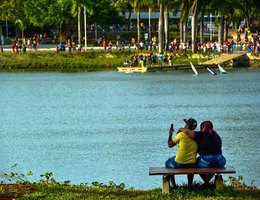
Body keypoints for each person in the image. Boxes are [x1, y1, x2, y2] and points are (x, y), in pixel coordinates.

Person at [179, 120, 226, 184]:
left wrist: (181, 128)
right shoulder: (216, 135)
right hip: (220, 161)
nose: (200, 129)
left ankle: (206, 181)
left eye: (201, 128)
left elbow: (187, 132)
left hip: (207, 161)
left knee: (195, 163)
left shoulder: (201, 134)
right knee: (214, 165)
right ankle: (207, 180)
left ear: (203, 127)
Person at [165, 118, 198, 187]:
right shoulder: (198, 136)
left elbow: (170, 145)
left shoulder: (181, 135)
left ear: (187, 126)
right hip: (192, 164)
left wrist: (170, 134)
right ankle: (190, 185)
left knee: (168, 162)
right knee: (190, 162)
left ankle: (174, 185)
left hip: (179, 164)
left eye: (186, 124)